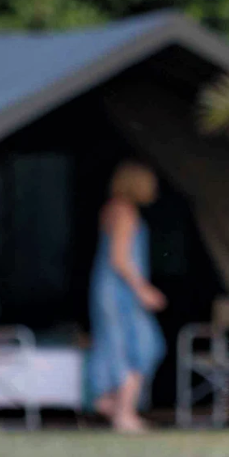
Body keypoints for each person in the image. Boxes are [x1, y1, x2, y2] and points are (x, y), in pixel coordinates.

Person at [88, 161, 167, 432]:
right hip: (119, 290)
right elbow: (120, 258)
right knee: (141, 346)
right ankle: (123, 412)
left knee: (117, 343)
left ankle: (110, 402)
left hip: (106, 287)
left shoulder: (111, 209)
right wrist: (142, 289)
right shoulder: (125, 212)